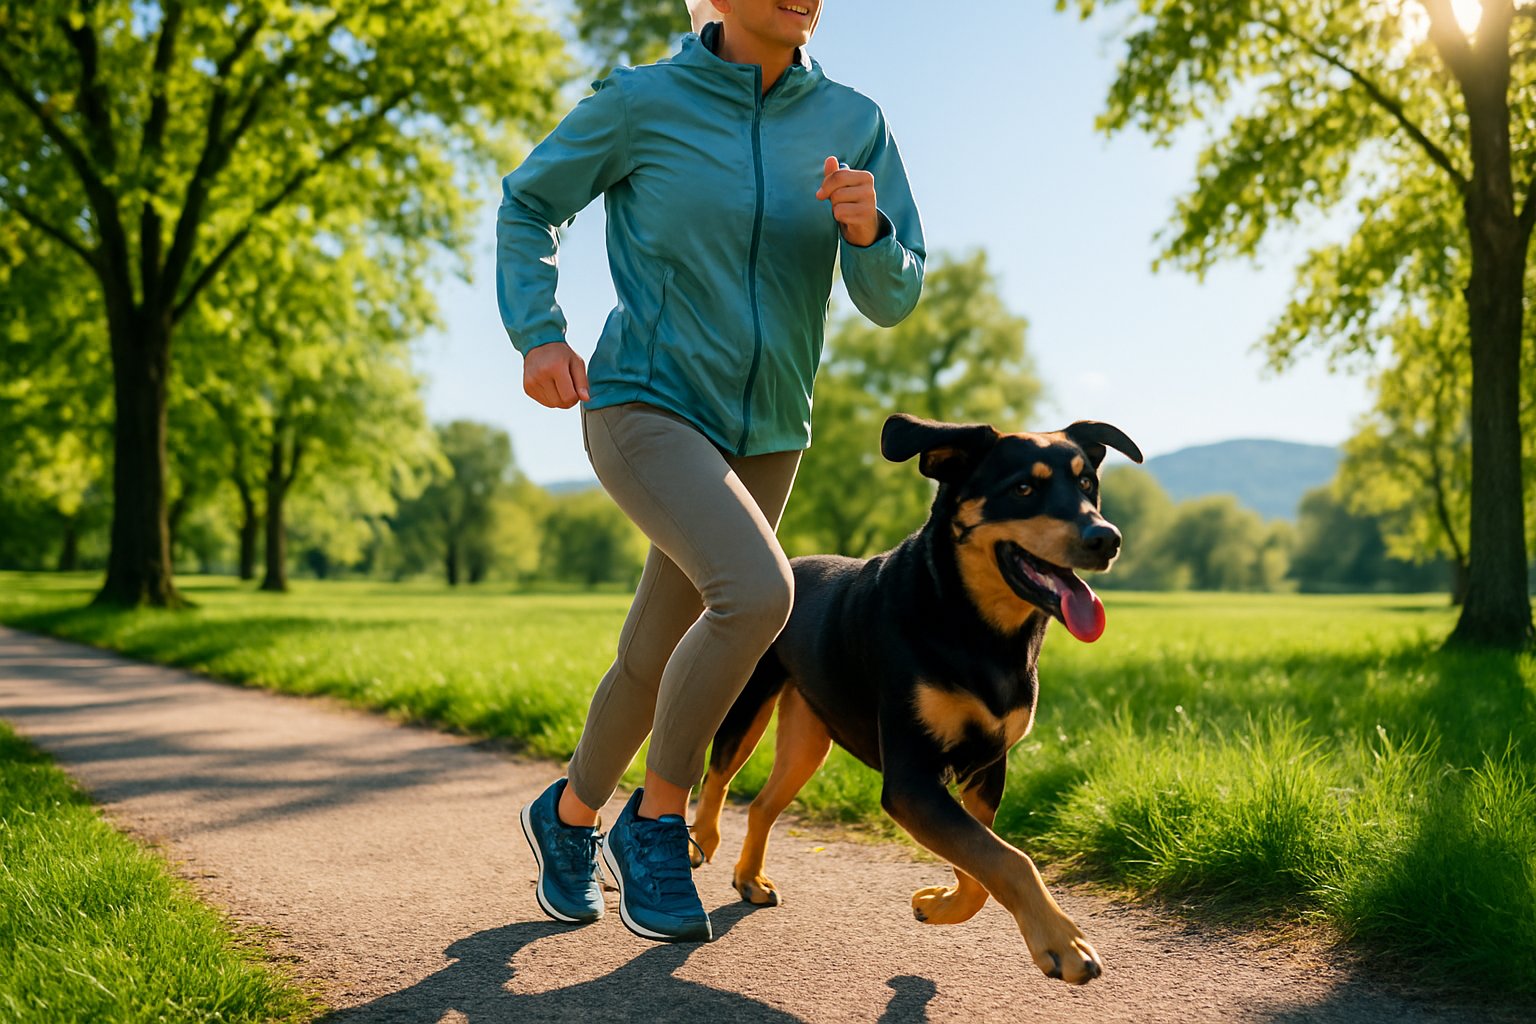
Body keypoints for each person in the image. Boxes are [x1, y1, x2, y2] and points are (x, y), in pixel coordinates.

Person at [499, 0, 925, 943]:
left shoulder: (854, 120)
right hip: (642, 400)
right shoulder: (641, 101)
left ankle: (565, 818)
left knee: (658, 652)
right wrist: (538, 333)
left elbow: (893, 294)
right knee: (757, 594)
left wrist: (870, 232)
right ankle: (654, 821)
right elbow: (529, 202)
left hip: (771, 428)